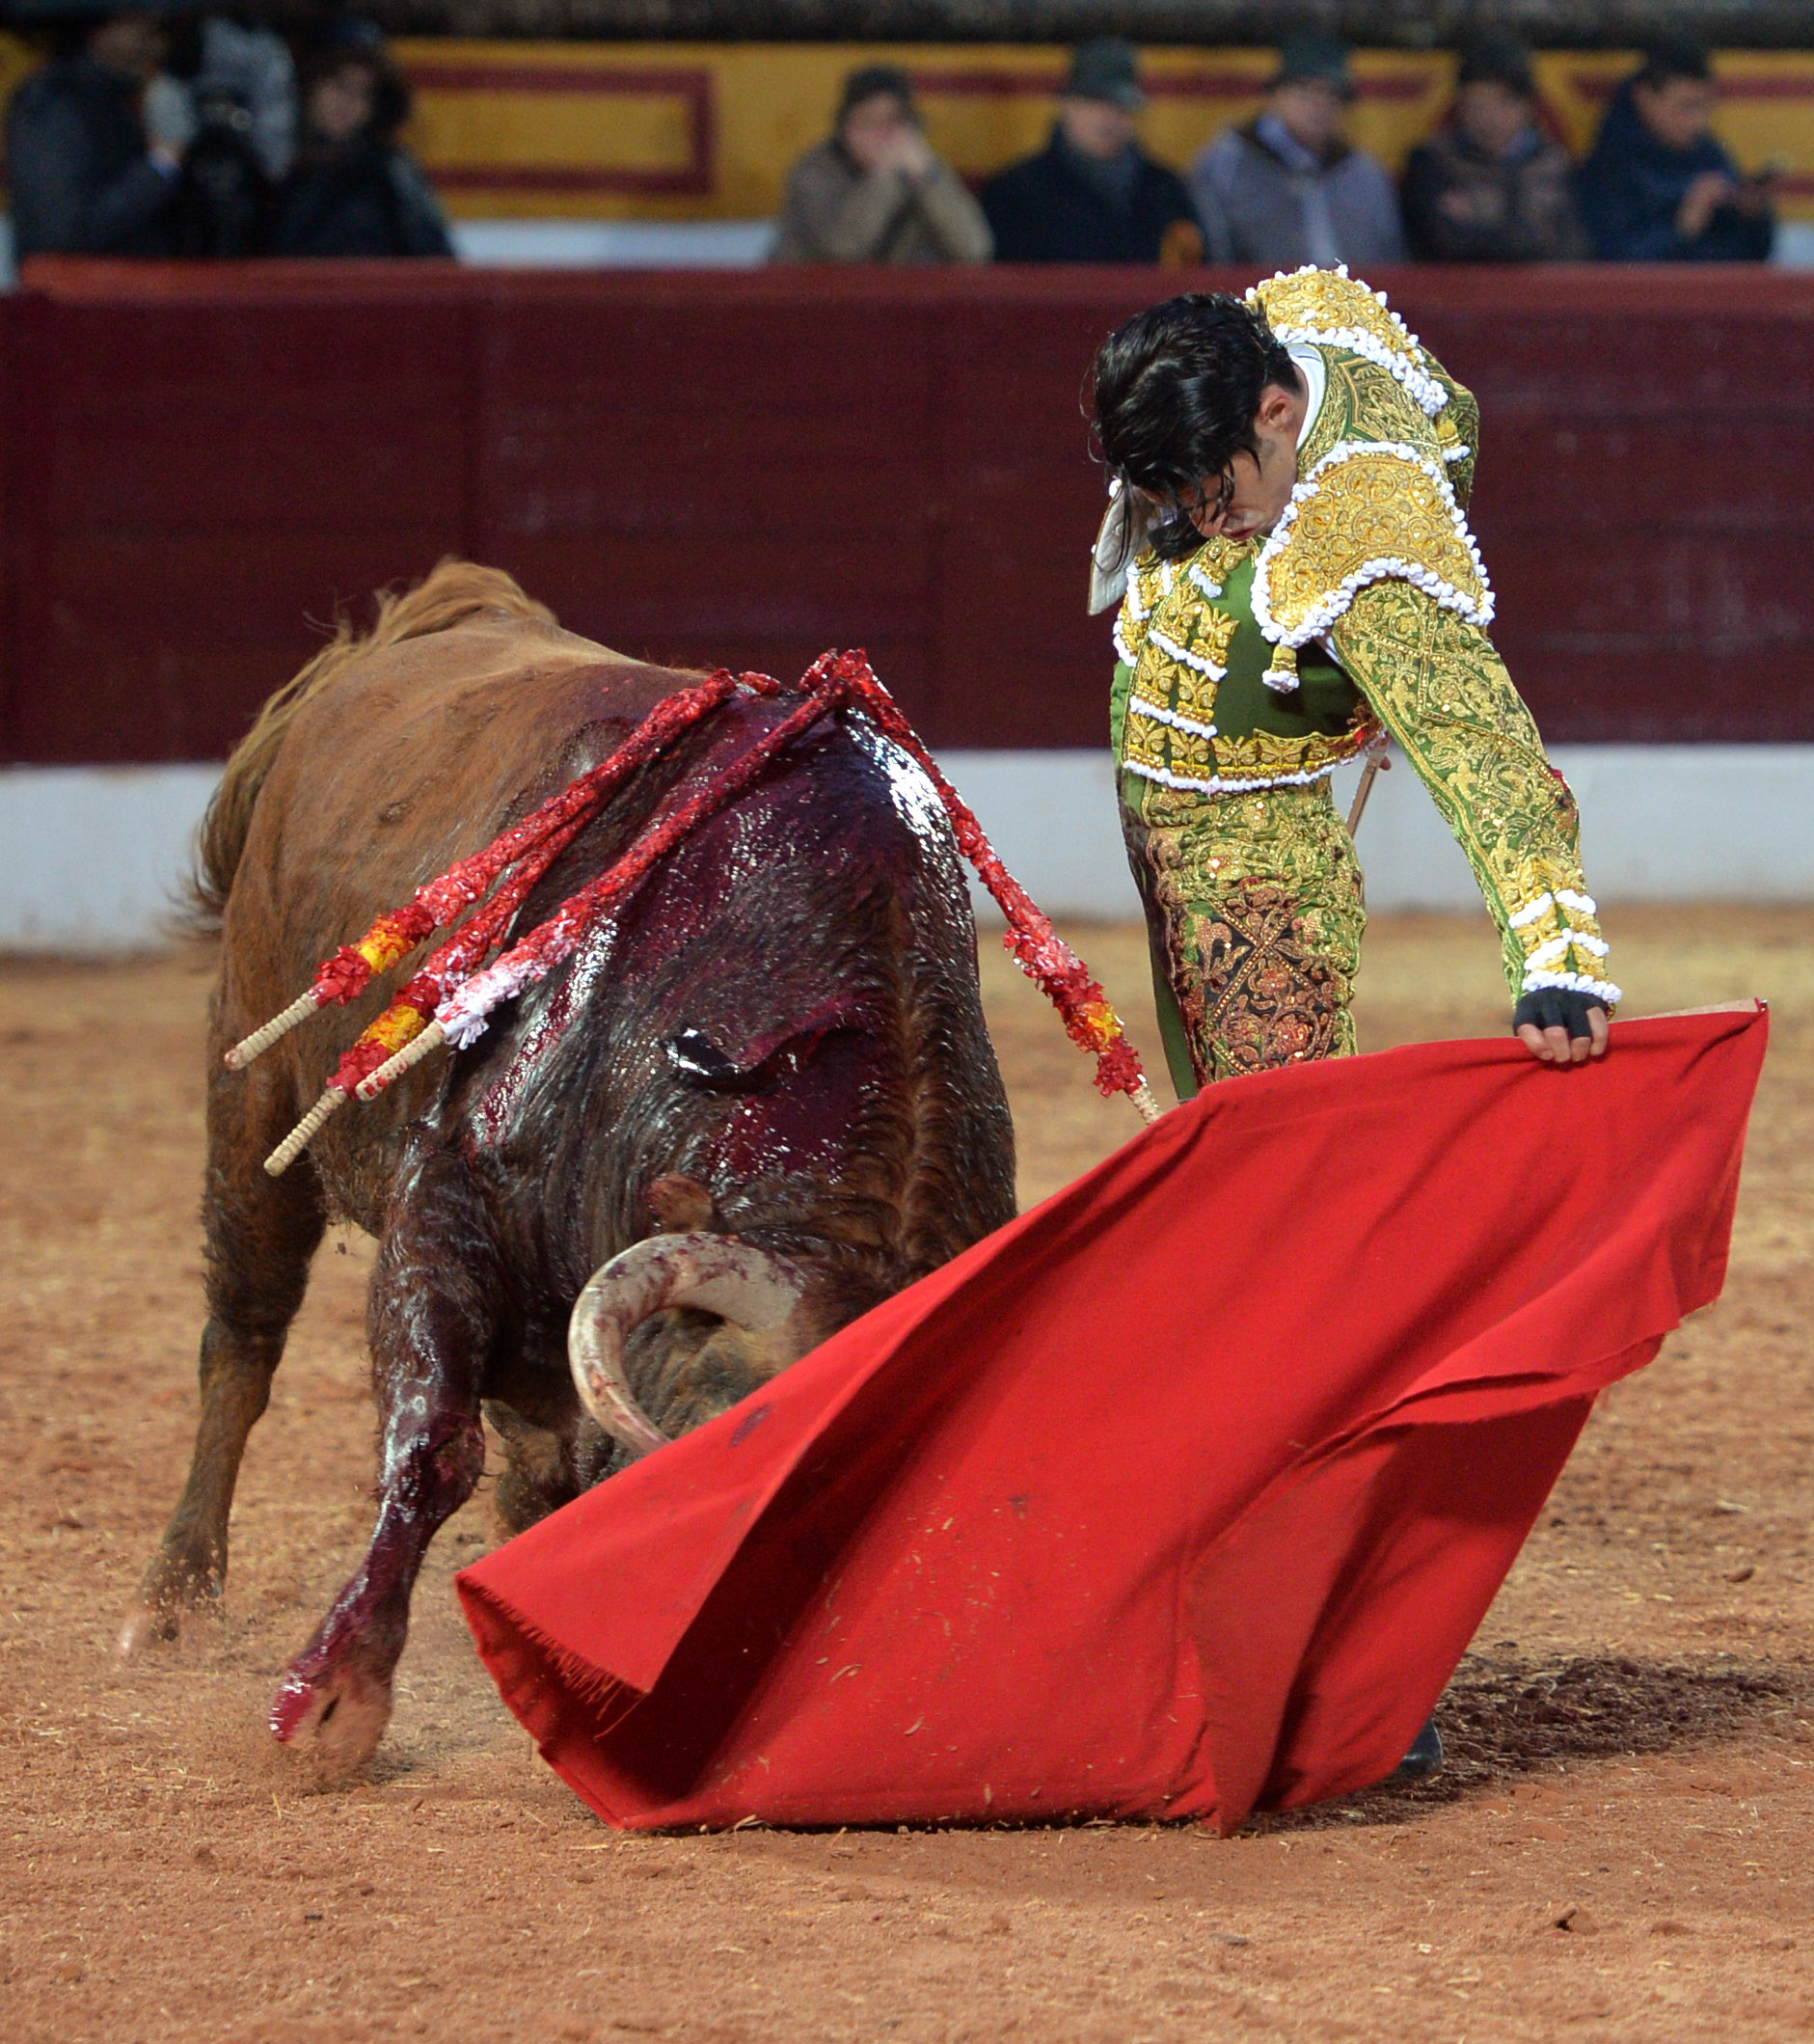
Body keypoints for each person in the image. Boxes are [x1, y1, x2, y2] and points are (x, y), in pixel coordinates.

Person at [1087, 270, 1616, 1103]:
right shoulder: (1304, 317)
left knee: (1277, 1139)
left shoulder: (1368, 537)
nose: (1205, 522)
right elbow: (1453, 415)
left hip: (1257, 854)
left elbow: (1482, 749)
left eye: (1219, 493)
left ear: (1275, 412)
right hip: (1176, 828)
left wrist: (1560, 957)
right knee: (1228, 1124)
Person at [1188, 35, 1403, 272]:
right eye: (1306, 91)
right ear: (1276, 94)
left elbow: (1391, 260)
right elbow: (1211, 258)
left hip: (1352, 305)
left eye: (1333, 94)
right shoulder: (1226, 163)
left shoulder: (1364, 174)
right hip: (1255, 303)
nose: (1320, 105)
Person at [982, 38, 1203, 265]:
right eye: (1093, 101)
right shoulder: (1015, 195)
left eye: (1119, 104)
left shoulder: (1166, 192)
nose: (1106, 116)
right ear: (1066, 104)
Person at [7, 3, 192, 260]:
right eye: (145, 33)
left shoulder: (117, 96)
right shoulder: (53, 104)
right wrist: (161, 165)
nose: (156, 47)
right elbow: (63, 235)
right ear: (100, 31)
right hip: (79, 293)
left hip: (125, 287)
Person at [770, 65, 990, 265]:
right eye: (867, 121)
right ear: (844, 128)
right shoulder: (814, 171)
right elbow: (840, 251)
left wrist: (928, 181)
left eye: (891, 121)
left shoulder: (924, 170)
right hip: (812, 298)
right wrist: (885, 178)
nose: (880, 134)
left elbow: (974, 250)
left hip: (893, 299)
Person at [1576, 41, 1773, 263]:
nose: (1698, 122)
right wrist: (1682, 229)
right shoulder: (1608, 169)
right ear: (1644, 98)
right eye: (1686, 106)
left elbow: (1752, 257)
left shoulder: (1710, 155)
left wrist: (1752, 217)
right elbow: (1614, 265)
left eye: (1705, 107)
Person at [1401, 38, 1589, 262]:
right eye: (1478, 104)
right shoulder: (1434, 162)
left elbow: (1575, 247)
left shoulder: (1557, 163)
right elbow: (1444, 245)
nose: (1490, 119)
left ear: (1528, 105)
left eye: (1504, 103)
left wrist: (1479, 217)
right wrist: (1532, 234)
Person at [269, 41, 452, 259]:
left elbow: (436, 260)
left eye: (364, 93)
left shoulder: (389, 174)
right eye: (339, 84)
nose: (349, 101)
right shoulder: (274, 167)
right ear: (311, 84)